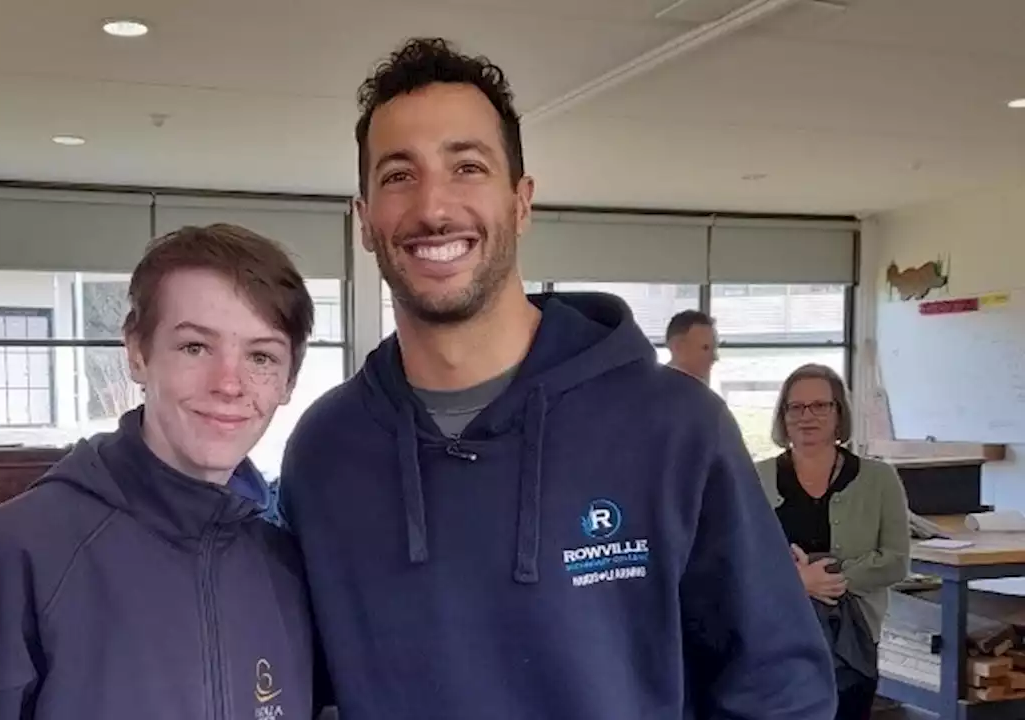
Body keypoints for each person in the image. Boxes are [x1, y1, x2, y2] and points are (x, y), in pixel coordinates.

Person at [278, 36, 836, 719]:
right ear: (364, 221)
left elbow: (780, 688)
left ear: (521, 201)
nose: (433, 207)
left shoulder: (673, 427)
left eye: (468, 167)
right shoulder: (326, 451)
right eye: (399, 175)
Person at [0, 224, 327, 720]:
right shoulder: (13, 555)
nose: (229, 384)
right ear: (138, 353)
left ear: (289, 380)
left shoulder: (285, 563)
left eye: (261, 356)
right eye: (194, 347)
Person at [756, 363, 910, 720]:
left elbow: (896, 560)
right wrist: (796, 583)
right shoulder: (754, 478)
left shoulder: (880, 479)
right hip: (776, 639)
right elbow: (738, 560)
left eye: (820, 405)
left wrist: (830, 581)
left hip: (852, 643)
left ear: (839, 413)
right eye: (796, 407)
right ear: (783, 416)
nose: (807, 416)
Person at [665, 309, 718, 383]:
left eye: (714, 349)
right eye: (705, 348)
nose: (714, 358)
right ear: (678, 347)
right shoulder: (649, 390)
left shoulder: (702, 393)